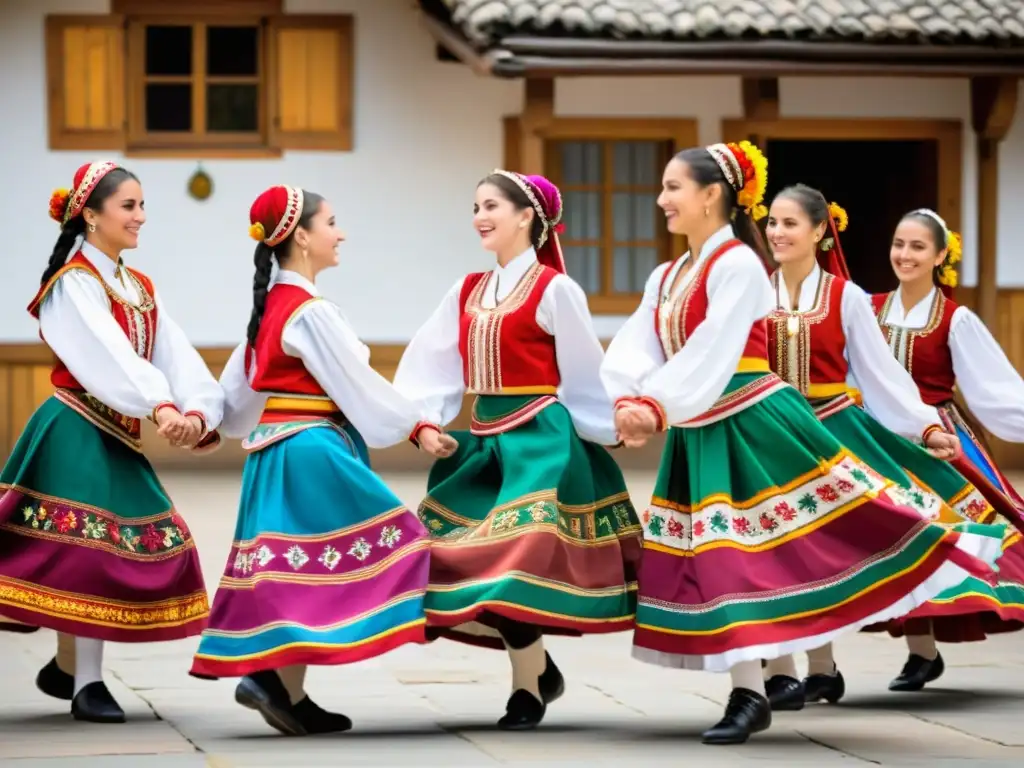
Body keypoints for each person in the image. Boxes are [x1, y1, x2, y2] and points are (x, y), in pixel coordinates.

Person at [600, 142, 998, 745]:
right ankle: (768, 682)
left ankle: (753, 690)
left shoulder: (736, 265)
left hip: (752, 421)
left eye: (672, 187)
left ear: (712, 195)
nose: (661, 199)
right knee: (726, 559)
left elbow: (715, 349)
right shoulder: (668, 274)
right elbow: (637, 342)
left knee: (745, 555)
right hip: (700, 426)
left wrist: (653, 405)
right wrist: (627, 396)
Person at [188, 185, 453, 736]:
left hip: (274, 454)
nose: (342, 232)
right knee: (402, 542)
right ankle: (273, 677)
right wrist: (417, 425)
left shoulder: (270, 307)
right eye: (332, 221)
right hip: (311, 449)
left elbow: (238, 392)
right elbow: (356, 383)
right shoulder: (310, 312)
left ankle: (282, 687)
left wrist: (211, 424)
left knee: (294, 568)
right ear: (302, 236)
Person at [392, 170, 642, 730]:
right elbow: (432, 361)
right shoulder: (465, 291)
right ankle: (540, 670)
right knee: (456, 561)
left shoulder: (555, 289)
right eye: (475, 206)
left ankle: (525, 690)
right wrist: (424, 421)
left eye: (491, 206)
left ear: (527, 215)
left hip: (541, 444)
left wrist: (611, 424)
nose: (480, 216)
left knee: (513, 559)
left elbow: (582, 371)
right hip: (483, 447)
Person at [759, 186, 1005, 709]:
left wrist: (927, 428)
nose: (777, 233)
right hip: (777, 435)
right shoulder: (759, 292)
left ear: (821, 231)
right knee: (785, 552)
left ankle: (914, 649)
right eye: (771, 223)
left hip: (849, 432)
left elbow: (881, 376)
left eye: (789, 223)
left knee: (883, 533)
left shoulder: (849, 298)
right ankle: (811, 670)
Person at [0, 160, 223, 723]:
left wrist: (197, 410)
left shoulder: (137, 285)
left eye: (143, 205)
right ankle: (86, 684)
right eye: (129, 206)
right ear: (91, 216)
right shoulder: (73, 283)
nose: (141, 217)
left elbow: (175, 352)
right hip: (75, 427)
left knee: (112, 546)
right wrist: (159, 403)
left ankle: (66, 667)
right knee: (92, 550)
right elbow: (107, 356)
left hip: (115, 432)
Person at [866, 208, 1024, 691]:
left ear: (939, 256)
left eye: (917, 246)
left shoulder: (955, 320)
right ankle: (922, 653)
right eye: (899, 244)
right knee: (894, 543)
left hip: (940, 440)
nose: (905, 255)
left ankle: (925, 652)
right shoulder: (866, 310)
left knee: (959, 536)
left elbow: (993, 388)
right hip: (879, 441)